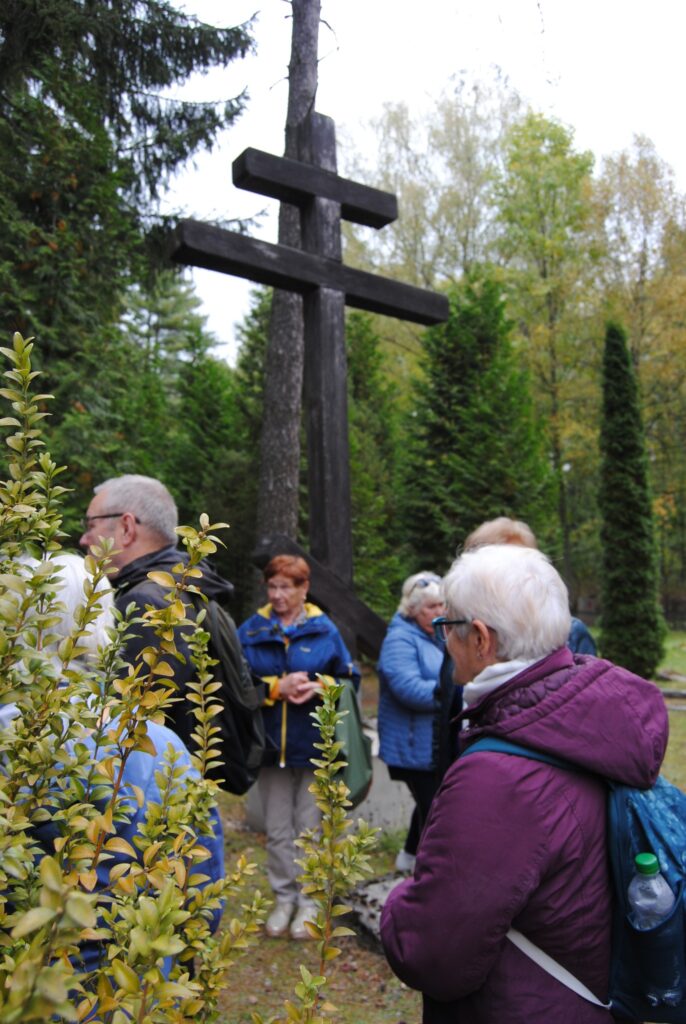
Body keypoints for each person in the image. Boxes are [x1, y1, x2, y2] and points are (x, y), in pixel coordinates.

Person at [380, 544, 668, 1023]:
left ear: (480, 639)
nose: (443, 642)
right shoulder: (586, 715)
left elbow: (433, 953)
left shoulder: (496, 778)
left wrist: (397, 906)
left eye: (447, 627)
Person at [3, 552, 225, 974]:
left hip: (26, 980)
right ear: (104, 623)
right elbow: (203, 884)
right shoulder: (163, 745)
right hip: (129, 978)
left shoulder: (10, 737)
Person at [238, 554, 359, 941]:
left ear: (304, 589)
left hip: (315, 746)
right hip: (270, 747)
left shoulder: (326, 630)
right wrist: (276, 688)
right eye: (272, 587)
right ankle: (283, 899)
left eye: (286, 587)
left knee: (309, 827)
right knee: (276, 830)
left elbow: (349, 679)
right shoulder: (251, 631)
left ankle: (308, 901)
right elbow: (239, 687)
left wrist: (322, 686)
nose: (277, 595)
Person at [79, 475, 235, 750]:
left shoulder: (147, 603)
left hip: (144, 784)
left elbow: (122, 726)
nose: (83, 539)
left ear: (126, 527)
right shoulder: (188, 589)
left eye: (91, 525)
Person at [377, 572, 447, 873]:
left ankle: (408, 859)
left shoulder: (436, 635)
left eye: (442, 605)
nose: (439, 612)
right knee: (434, 806)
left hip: (430, 742)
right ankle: (428, 871)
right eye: (431, 607)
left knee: (431, 803)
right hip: (410, 744)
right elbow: (408, 689)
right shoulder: (399, 639)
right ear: (414, 610)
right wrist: (454, 695)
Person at [463, 516, 597, 655]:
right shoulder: (459, 630)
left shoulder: (570, 633)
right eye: (501, 565)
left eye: (523, 562)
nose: (516, 573)